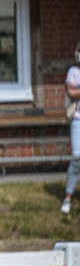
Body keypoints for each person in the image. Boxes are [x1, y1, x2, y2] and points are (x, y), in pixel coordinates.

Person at [62, 40, 80, 215]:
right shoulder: (74, 72)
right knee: (76, 159)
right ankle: (68, 197)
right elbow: (71, 92)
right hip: (78, 120)